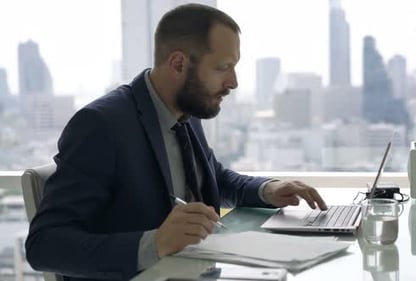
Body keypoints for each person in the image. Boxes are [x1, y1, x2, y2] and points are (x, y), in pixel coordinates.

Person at [25, 4, 327, 281]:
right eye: (223, 67)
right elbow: (44, 245)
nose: (234, 82)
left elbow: (214, 179)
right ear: (179, 63)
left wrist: (267, 189)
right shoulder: (101, 125)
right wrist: (154, 243)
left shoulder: (187, 108)